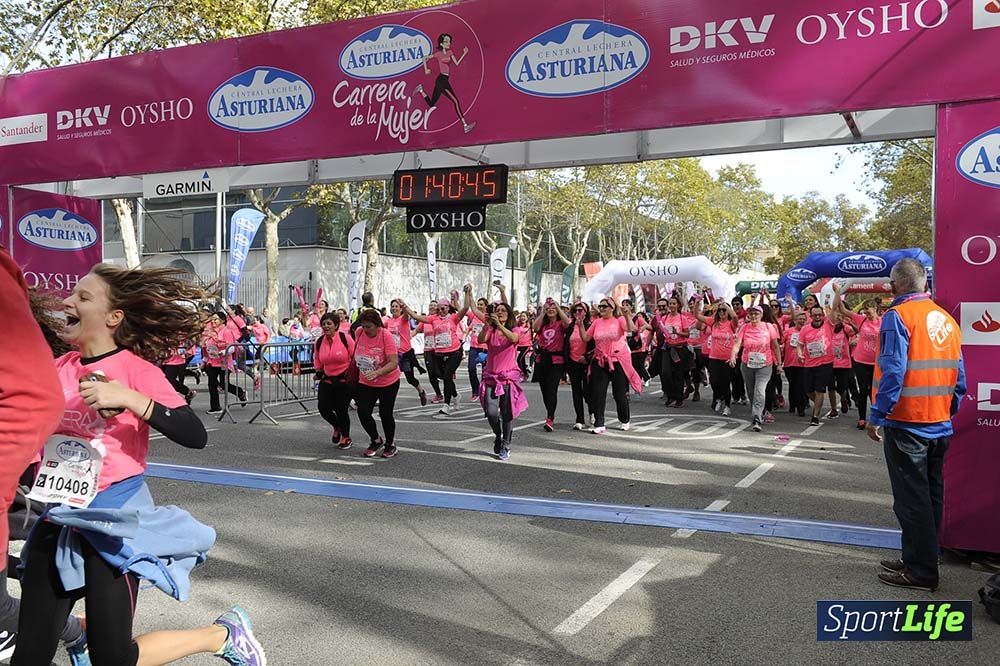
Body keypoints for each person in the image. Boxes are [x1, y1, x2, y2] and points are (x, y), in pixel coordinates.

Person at [13, 264, 264, 666]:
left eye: (82, 297)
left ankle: (220, 634)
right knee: (29, 655)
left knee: (113, 658)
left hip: (114, 521)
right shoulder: (57, 369)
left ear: (113, 317)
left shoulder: (136, 371)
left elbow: (194, 434)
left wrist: (131, 399)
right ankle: (82, 635)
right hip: (60, 516)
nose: (67, 301)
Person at [866, 258, 964, 592]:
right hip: (938, 422)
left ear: (894, 286)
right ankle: (921, 558)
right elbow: (960, 377)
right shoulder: (946, 319)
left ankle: (920, 571)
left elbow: (893, 371)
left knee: (911, 500)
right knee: (931, 496)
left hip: (908, 422)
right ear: (924, 284)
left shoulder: (898, 316)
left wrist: (876, 416)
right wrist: (947, 409)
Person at [576, 296, 640, 434]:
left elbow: (631, 329)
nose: (601, 309)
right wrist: (580, 325)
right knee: (598, 393)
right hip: (600, 360)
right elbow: (586, 338)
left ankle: (625, 419)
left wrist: (627, 315)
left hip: (617, 361)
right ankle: (599, 423)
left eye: (604, 306)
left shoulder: (619, 319)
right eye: (600, 306)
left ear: (612, 308)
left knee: (619, 394)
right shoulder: (597, 322)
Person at [404, 288, 471, 415]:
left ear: (448, 308)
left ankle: (446, 404)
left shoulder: (454, 318)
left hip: (454, 352)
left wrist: (468, 293)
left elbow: (466, 307)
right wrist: (404, 306)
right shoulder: (433, 319)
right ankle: (455, 394)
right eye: (438, 309)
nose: (440, 311)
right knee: (439, 375)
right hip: (439, 353)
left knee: (447, 376)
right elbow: (416, 316)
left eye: (443, 308)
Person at [477, 302, 527, 460]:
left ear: (509, 314)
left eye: (503, 310)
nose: (499, 313)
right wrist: (487, 326)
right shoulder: (491, 330)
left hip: (507, 378)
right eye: (497, 311)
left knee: (507, 414)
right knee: (491, 413)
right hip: (491, 377)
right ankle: (498, 436)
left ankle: (506, 444)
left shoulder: (514, 329)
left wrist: (499, 325)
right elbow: (480, 340)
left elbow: (514, 338)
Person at [354, 309, 401, 458]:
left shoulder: (386, 336)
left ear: (377, 325)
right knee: (363, 411)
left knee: (385, 413)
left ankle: (390, 444)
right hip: (366, 381)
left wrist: (377, 372)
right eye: (363, 326)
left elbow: (393, 362)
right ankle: (375, 439)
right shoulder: (359, 333)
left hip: (388, 381)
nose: (365, 329)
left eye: (369, 326)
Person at [833, 284, 882, 429]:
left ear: (875, 309)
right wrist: (838, 292)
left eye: (868, 310)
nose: (866, 312)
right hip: (860, 360)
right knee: (863, 390)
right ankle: (861, 418)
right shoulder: (862, 320)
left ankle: (875, 418)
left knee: (875, 391)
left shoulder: (884, 321)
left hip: (877, 362)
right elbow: (842, 310)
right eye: (864, 310)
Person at [729, 303, 781, 432]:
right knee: (751, 391)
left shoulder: (769, 327)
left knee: (760, 390)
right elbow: (737, 344)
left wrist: (779, 363)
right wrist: (733, 356)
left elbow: (775, 346)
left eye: (756, 313)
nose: (753, 316)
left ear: (761, 315)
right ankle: (759, 412)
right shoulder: (744, 327)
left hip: (765, 364)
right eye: (751, 313)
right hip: (747, 364)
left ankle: (757, 417)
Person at [414, 33, 476, 133]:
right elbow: (424, 58)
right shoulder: (438, 54)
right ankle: (465, 125)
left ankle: (421, 90)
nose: (448, 43)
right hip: (441, 80)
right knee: (456, 101)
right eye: (446, 41)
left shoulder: (450, 52)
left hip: (444, 79)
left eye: (449, 41)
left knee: (431, 103)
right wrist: (426, 69)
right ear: (441, 44)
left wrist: (464, 53)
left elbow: (456, 63)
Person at [315, 312, 356, 450]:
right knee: (323, 408)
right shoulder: (319, 341)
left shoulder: (345, 338)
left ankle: (346, 437)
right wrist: (318, 370)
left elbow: (355, 356)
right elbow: (317, 359)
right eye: (323, 324)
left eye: (329, 324)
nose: (326, 326)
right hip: (327, 379)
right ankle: (336, 426)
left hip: (344, 379)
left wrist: (352, 373)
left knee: (341, 409)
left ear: (336, 325)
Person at [532, 296, 572, 431]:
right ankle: (549, 412)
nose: (551, 310)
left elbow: (568, 324)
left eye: (553, 307)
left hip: (556, 361)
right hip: (542, 359)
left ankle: (550, 417)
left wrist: (558, 308)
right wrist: (543, 312)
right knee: (544, 390)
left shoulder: (561, 324)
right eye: (548, 307)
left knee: (551, 389)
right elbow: (535, 328)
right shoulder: (543, 324)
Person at [654, 296, 697, 408]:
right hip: (668, 348)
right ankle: (670, 395)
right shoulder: (665, 318)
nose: (672, 306)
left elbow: (687, 334)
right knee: (665, 373)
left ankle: (679, 398)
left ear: (678, 305)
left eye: (674, 303)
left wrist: (677, 332)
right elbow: (661, 331)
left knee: (678, 374)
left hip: (680, 348)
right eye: (670, 304)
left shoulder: (682, 318)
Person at [697, 301, 738, 417]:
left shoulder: (731, 324)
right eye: (719, 310)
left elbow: (735, 316)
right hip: (714, 357)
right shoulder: (713, 323)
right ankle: (719, 398)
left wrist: (725, 305)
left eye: (724, 310)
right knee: (714, 381)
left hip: (727, 358)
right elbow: (697, 316)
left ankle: (727, 406)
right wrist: (697, 302)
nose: (721, 312)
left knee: (725, 382)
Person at [202, 311, 248, 414]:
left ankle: (240, 393)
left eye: (215, 319)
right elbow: (206, 348)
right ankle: (215, 407)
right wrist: (204, 360)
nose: (213, 321)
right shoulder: (210, 332)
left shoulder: (227, 331)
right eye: (212, 319)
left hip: (224, 362)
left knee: (224, 384)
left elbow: (232, 347)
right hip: (212, 362)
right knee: (212, 384)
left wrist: (222, 352)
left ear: (222, 320)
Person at [797, 305, 836, 426]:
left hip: (825, 363)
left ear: (823, 315)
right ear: (811, 316)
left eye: (820, 315)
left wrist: (837, 295)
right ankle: (819, 402)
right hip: (809, 363)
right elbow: (800, 345)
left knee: (820, 389)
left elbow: (835, 308)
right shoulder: (805, 329)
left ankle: (815, 416)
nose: (818, 317)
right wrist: (799, 354)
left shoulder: (828, 325)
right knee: (808, 391)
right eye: (815, 315)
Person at [387, 299, 427, 406]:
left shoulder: (403, 319)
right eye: (393, 306)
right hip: (393, 355)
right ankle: (387, 398)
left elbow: (407, 314)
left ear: (400, 309)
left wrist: (404, 305)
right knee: (391, 377)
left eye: (396, 306)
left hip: (405, 355)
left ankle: (421, 391)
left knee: (410, 378)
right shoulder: (388, 321)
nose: (394, 308)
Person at [567, 302, 595, 430]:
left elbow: (595, 345)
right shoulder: (570, 327)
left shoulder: (591, 325)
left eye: (581, 310)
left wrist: (587, 357)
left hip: (586, 362)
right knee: (576, 391)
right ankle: (579, 419)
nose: (578, 313)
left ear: (586, 312)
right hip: (573, 362)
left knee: (588, 391)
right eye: (576, 310)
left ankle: (592, 412)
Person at [781, 309, 808, 417]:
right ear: (795, 320)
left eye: (803, 319)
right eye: (799, 319)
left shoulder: (808, 331)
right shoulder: (788, 331)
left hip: (803, 363)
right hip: (789, 363)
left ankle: (801, 408)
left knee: (800, 385)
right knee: (792, 385)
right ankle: (792, 405)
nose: (801, 321)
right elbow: (781, 342)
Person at [622, 298, 652, 388]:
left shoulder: (637, 318)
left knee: (638, 365)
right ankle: (627, 389)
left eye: (627, 305)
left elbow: (649, 327)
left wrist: (643, 327)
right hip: (624, 347)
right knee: (627, 368)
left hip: (637, 347)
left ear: (631, 307)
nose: (624, 307)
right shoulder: (621, 318)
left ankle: (646, 378)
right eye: (623, 305)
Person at [466, 298, 489, 401]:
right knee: (471, 368)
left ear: (486, 306)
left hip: (485, 348)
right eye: (478, 304)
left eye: (481, 304)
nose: (479, 306)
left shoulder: (487, 317)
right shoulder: (474, 317)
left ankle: (484, 390)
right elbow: (464, 310)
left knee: (485, 371)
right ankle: (475, 391)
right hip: (474, 347)